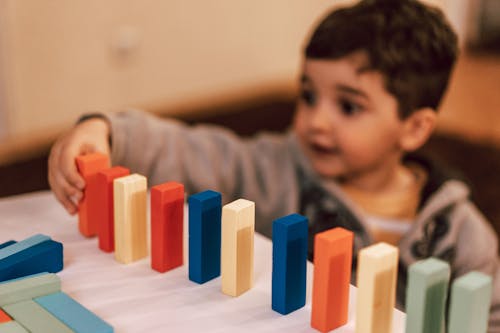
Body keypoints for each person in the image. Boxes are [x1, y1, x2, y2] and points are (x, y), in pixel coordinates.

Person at [48, 0, 500, 329]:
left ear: (415, 128)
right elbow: (192, 149)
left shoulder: (464, 234)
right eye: (307, 96)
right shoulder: (275, 168)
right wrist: (103, 129)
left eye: (348, 107)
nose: (315, 121)